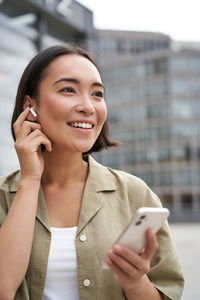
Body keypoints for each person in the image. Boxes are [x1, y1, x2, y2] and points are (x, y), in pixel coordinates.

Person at [0, 45, 184, 300]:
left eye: (97, 94)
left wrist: (135, 282)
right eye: (68, 90)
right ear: (30, 106)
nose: (88, 106)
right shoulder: (2, 197)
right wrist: (30, 180)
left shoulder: (134, 194)